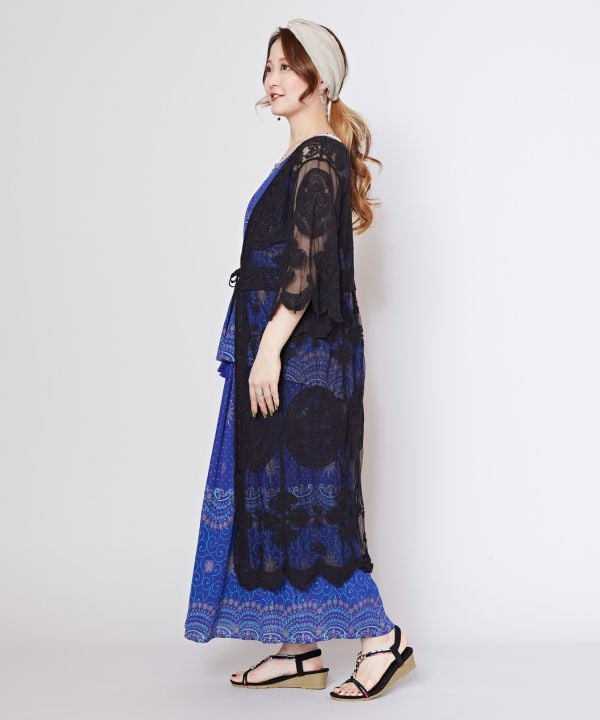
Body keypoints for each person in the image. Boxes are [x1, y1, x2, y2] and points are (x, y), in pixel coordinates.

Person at [184, 18, 416, 701]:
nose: (273, 79)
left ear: (320, 80)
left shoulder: (319, 156)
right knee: (278, 496)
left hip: (302, 359)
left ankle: (382, 640)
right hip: (288, 352)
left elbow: (306, 268)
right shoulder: (303, 156)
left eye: (288, 66)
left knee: (316, 504)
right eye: (269, 67)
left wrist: (268, 352)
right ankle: (298, 650)